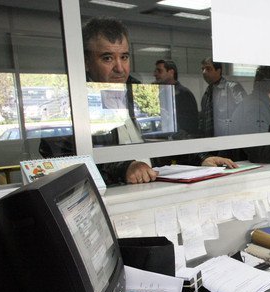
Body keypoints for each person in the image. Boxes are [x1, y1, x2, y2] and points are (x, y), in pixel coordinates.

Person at [82, 17, 234, 185]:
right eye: (107, 58)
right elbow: (74, 160)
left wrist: (201, 158)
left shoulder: (138, 92)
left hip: (152, 185)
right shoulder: (76, 104)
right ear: (87, 62)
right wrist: (125, 168)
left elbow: (170, 134)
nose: (119, 68)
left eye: (124, 57)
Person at [198, 57, 246, 138]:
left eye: (208, 69)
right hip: (210, 140)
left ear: (218, 71)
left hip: (230, 139)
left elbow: (245, 114)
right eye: (202, 69)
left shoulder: (232, 88)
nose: (204, 72)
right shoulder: (207, 94)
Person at [153, 59, 199, 135]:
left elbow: (191, 124)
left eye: (159, 71)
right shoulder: (162, 93)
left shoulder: (184, 94)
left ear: (171, 72)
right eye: (155, 71)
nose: (155, 74)